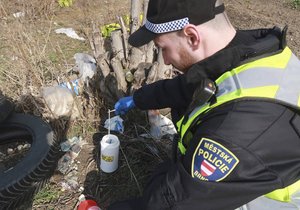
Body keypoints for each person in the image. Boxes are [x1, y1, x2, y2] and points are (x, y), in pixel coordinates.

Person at [109, 0, 300, 209]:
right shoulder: (248, 54)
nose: (165, 59)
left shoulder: (236, 132)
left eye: (163, 48)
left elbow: (174, 202)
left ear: (192, 37)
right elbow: (186, 86)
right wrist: (138, 99)